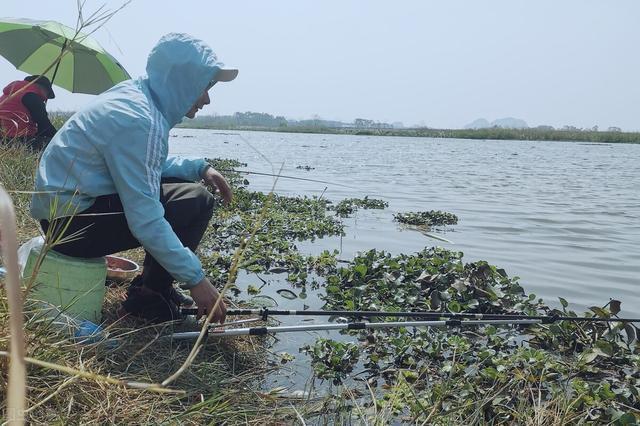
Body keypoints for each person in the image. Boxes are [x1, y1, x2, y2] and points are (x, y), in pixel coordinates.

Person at [30, 33, 238, 323]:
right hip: (69, 228)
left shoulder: (135, 96)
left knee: (187, 193)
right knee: (195, 200)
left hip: (63, 214)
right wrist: (197, 280)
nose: (207, 98)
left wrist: (199, 168)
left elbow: (143, 164)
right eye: (204, 86)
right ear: (183, 82)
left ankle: (154, 289)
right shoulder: (141, 121)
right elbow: (146, 220)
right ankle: (149, 299)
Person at [0, 75, 57, 150]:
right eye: (47, 94)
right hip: (19, 141)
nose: (46, 98)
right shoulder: (31, 96)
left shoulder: (7, 95)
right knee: (56, 147)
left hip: (2, 141)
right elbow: (45, 127)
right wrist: (59, 137)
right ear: (42, 88)